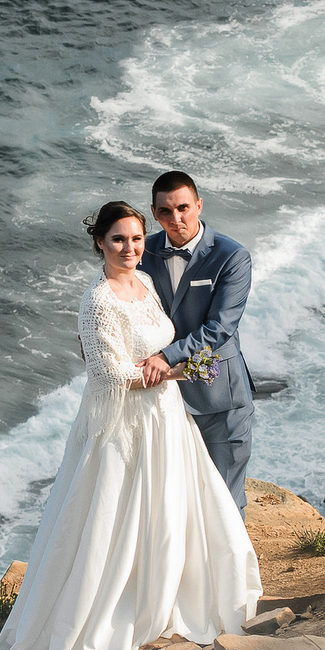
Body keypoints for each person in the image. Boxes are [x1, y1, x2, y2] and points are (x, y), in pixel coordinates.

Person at [0, 201, 261, 650]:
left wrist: (171, 367)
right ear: (100, 243)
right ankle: (103, 613)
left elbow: (165, 343)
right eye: (118, 240)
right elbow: (107, 373)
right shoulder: (98, 301)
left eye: (136, 238)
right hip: (124, 426)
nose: (131, 248)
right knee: (113, 518)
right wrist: (179, 368)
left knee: (169, 511)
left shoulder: (148, 282)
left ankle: (167, 593)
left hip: (166, 419)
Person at [137, 171, 256, 511]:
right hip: (161, 399)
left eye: (184, 208)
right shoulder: (143, 251)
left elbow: (220, 327)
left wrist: (164, 355)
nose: (176, 219)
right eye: (165, 212)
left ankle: (230, 566)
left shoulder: (232, 257)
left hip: (219, 397)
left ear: (199, 205)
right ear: (154, 213)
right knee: (171, 501)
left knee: (223, 501)